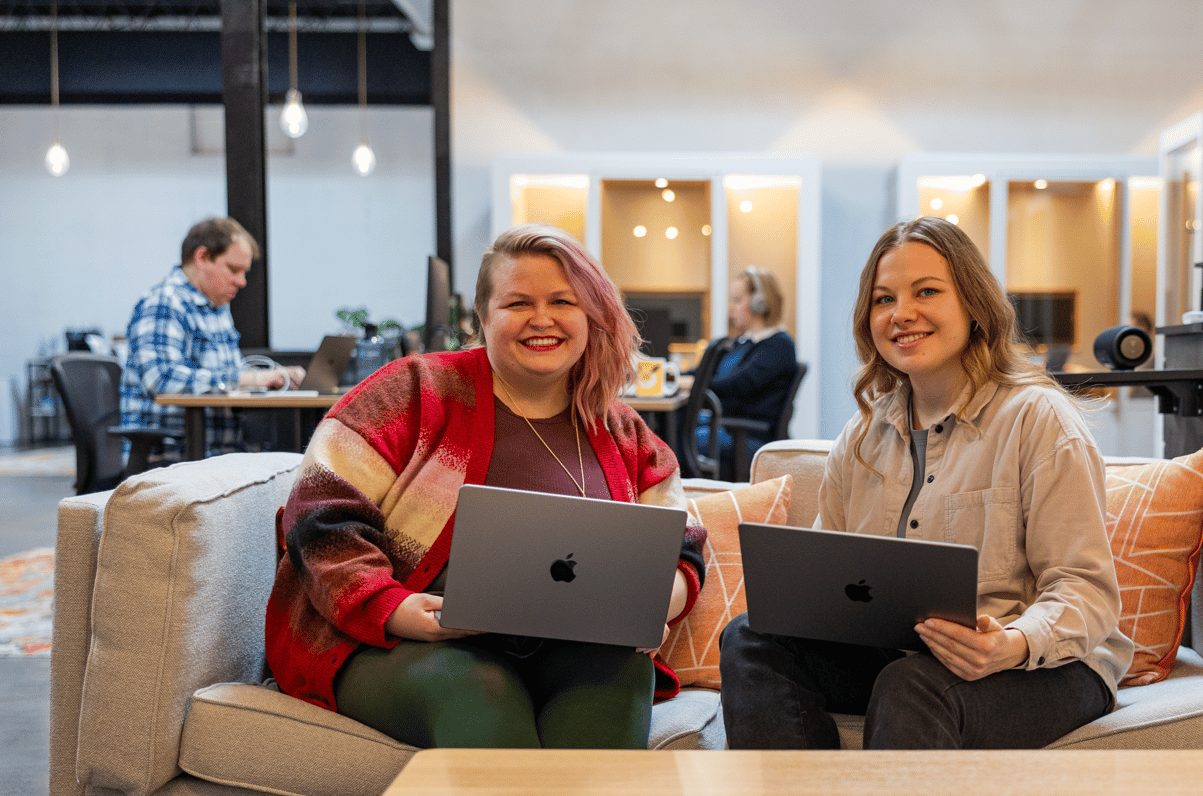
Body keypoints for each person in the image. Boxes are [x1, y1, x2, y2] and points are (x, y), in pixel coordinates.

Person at [265, 224, 707, 750]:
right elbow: (319, 511)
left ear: (589, 314)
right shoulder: (413, 391)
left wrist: (657, 601)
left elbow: (683, 543)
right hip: (401, 640)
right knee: (479, 690)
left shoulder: (621, 430)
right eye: (517, 303)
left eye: (563, 301)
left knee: (624, 676)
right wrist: (390, 606)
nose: (541, 319)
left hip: (570, 647)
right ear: (482, 317)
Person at [719, 217, 1132, 750]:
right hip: (909, 654)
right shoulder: (863, 436)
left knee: (910, 683)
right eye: (883, 299)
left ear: (974, 305)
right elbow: (825, 579)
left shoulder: (1039, 419)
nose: (901, 314)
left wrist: (1011, 643)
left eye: (927, 292)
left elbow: (1086, 589)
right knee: (750, 637)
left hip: (1046, 663)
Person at [120, 217, 303, 456]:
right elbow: (163, 380)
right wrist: (252, 378)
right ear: (202, 257)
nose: (242, 281)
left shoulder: (217, 309)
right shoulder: (164, 303)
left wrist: (276, 378)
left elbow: (230, 375)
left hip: (218, 453)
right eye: (233, 269)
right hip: (173, 457)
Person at [696, 265, 797, 478]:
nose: (731, 308)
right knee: (672, 428)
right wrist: (673, 376)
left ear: (759, 303)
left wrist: (695, 385)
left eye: (737, 300)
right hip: (725, 427)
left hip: (748, 437)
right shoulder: (743, 343)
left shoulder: (778, 346)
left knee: (678, 438)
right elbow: (704, 373)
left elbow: (739, 384)